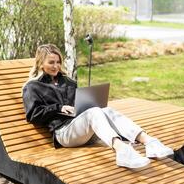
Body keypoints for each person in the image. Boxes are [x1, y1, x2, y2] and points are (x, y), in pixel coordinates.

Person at [22, 44, 174, 169]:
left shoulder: (68, 82)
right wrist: (58, 108)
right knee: (94, 112)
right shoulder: (32, 87)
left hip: (86, 130)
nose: (56, 66)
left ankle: (149, 142)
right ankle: (122, 151)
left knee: (105, 109)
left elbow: (82, 105)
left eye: (58, 62)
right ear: (41, 63)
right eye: (51, 62)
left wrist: (89, 101)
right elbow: (32, 115)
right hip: (64, 133)